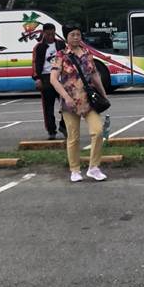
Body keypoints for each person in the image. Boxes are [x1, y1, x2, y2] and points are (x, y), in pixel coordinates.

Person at [50, 23, 109, 183]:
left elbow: (95, 75)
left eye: (78, 34)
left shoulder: (87, 54)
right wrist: (66, 97)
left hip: (88, 101)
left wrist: (103, 94)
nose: (76, 37)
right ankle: (75, 170)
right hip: (70, 103)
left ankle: (94, 168)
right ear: (66, 37)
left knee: (98, 131)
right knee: (73, 137)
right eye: (72, 35)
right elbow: (53, 79)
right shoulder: (60, 55)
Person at [32, 23, 66, 140]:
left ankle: (64, 126)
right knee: (48, 107)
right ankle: (51, 131)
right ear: (43, 33)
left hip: (60, 77)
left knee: (66, 104)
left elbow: (67, 59)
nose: (50, 37)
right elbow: (35, 63)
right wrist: (37, 78)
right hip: (46, 77)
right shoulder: (39, 47)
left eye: (52, 34)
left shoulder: (61, 44)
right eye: (48, 34)